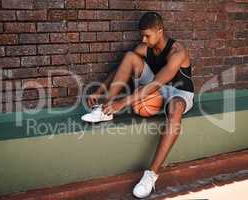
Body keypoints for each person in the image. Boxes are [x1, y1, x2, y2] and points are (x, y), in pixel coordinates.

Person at [81, 11, 194, 198]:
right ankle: (105, 110)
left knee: (175, 110)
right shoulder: (145, 47)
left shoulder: (177, 52)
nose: (144, 39)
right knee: (129, 56)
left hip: (179, 92)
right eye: (142, 34)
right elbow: (122, 68)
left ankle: (151, 174)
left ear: (160, 31)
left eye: (147, 35)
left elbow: (156, 83)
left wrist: (123, 103)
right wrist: (101, 90)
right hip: (157, 90)